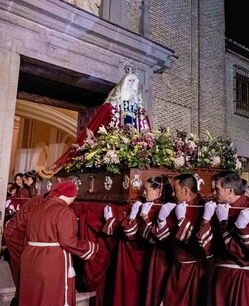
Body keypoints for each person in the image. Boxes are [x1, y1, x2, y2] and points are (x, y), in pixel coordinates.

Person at [41, 65, 150, 176]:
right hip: (114, 145)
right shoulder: (111, 106)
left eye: (133, 82)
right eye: (129, 81)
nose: (131, 84)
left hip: (136, 147)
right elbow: (98, 124)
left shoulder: (139, 109)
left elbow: (146, 128)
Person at [19, 181, 98, 306]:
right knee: (52, 298)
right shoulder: (64, 211)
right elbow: (67, 241)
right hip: (51, 261)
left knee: (34, 298)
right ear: (72, 194)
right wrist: (90, 247)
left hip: (31, 259)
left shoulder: (38, 208)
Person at [151, 173, 213, 306]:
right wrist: (161, 221)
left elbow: (200, 245)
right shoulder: (176, 205)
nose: (173, 194)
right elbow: (166, 240)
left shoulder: (204, 208)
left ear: (186, 190)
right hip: (176, 267)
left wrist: (182, 221)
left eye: (176, 190)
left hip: (193, 271)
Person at [203, 172, 249, 306]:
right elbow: (205, 246)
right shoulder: (217, 207)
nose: (213, 192)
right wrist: (205, 220)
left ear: (230, 191)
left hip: (242, 277)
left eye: (217, 189)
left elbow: (244, 255)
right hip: (220, 273)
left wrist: (225, 224)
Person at [134, 176, 174, 306]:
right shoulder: (151, 205)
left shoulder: (165, 207)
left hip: (162, 258)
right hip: (153, 256)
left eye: (147, 190)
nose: (143, 193)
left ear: (158, 191)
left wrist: (145, 217)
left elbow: (156, 237)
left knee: (156, 291)